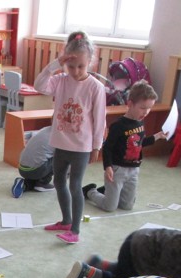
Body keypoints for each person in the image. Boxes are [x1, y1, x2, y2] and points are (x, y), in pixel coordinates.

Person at [33, 31, 106, 244]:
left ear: (90, 62)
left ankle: (75, 230)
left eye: (81, 66)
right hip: (60, 143)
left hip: (81, 147)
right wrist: (56, 64)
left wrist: (96, 146)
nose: (75, 71)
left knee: (75, 185)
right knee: (58, 181)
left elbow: (100, 119)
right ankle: (66, 221)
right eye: (71, 66)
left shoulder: (96, 87)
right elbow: (39, 85)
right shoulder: (61, 81)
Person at [83, 80, 167, 212]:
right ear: (130, 104)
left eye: (149, 108)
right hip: (117, 169)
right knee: (110, 207)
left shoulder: (140, 123)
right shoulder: (118, 125)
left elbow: (139, 143)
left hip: (133, 170)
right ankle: (90, 191)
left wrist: (157, 136)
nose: (146, 112)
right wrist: (108, 167)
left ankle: (109, 191)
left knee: (127, 206)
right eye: (143, 108)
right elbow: (108, 148)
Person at [12, 126, 55, 197]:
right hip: (36, 170)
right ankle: (42, 183)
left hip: (22, 168)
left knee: (41, 159)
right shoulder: (60, 136)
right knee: (60, 158)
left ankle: (25, 184)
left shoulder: (45, 129)